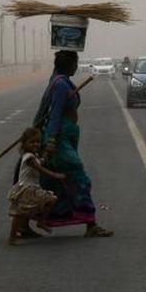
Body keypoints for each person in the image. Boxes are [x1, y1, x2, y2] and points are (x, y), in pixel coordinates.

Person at [36, 49, 113, 237]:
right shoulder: (61, 84)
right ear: (69, 65)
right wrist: (52, 140)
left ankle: (35, 220)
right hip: (60, 139)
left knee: (51, 181)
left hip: (65, 137)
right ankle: (90, 223)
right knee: (79, 178)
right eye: (75, 63)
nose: (77, 66)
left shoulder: (60, 81)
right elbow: (55, 113)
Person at [7, 128, 62, 245]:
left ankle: (41, 221)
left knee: (51, 200)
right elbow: (39, 168)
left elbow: (41, 162)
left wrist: (47, 153)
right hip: (25, 189)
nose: (35, 144)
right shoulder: (28, 157)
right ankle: (12, 238)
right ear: (24, 144)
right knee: (19, 214)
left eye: (37, 141)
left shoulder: (34, 155)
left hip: (33, 188)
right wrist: (55, 175)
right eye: (32, 142)